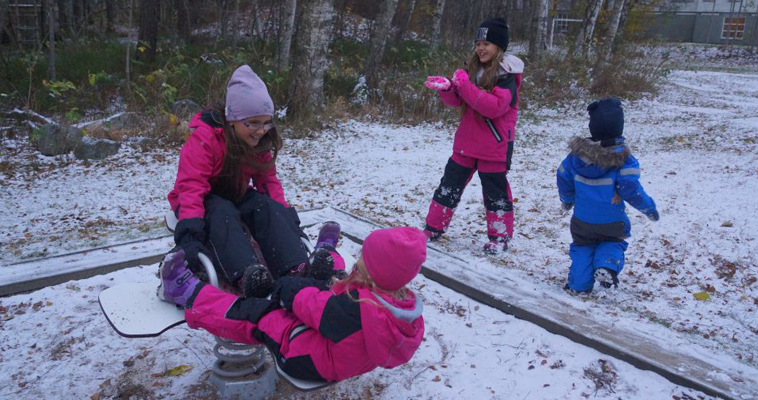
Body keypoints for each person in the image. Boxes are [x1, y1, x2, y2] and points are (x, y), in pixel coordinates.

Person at [158, 227, 427, 384]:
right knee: (338, 281)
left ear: (376, 269)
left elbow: (305, 303)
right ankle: (324, 254)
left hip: (302, 355)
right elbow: (331, 303)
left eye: (365, 258)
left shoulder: (351, 310)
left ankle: (187, 293)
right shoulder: (400, 305)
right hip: (336, 348)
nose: (359, 259)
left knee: (257, 315)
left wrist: (284, 289)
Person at [167, 64, 326, 297]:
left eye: (266, 122)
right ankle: (246, 275)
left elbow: (268, 181)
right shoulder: (205, 138)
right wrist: (189, 233)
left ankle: (296, 267)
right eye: (252, 123)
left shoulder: (258, 142)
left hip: (236, 191)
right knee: (221, 212)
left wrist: (288, 223)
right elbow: (191, 185)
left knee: (264, 205)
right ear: (233, 119)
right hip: (200, 198)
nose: (261, 131)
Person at [422, 18, 524, 255]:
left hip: (494, 147)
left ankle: (500, 236)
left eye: (486, 43)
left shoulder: (507, 76)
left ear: (499, 47)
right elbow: (460, 99)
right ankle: (433, 228)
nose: (481, 48)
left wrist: (464, 85)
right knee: (448, 187)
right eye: (478, 42)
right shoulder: (472, 69)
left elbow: (494, 107)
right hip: (466, 144)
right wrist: (449, 89)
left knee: (495, 194)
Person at [556, 98, 659, 293]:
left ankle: (578, 284)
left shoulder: (575, 158)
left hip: (582, 220)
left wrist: (567, 200)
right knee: (612, 242)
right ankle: (606, 266)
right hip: (612, 221)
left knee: (583, 247)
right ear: (619, 128)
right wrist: (648, 207)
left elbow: (562, 177)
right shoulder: (624, 160)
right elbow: (630, 189)